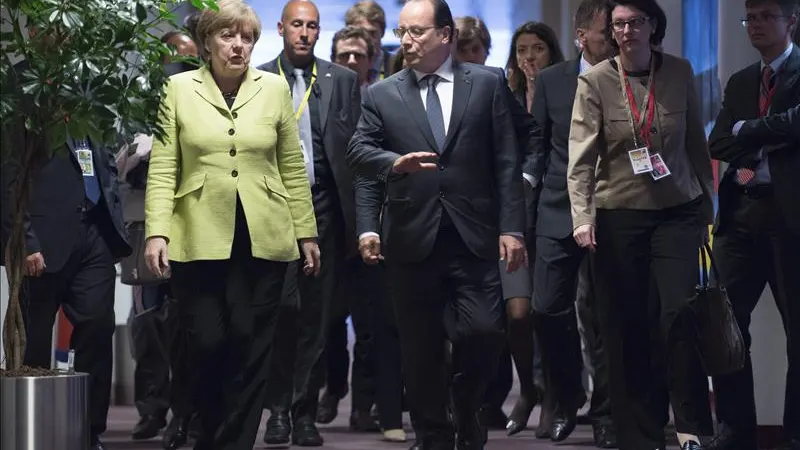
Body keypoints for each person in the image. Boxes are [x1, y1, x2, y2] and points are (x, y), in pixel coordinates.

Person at [346, 0, 527, 448]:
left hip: (475, 234)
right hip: (411, 237)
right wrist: (394, 163)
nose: (406, 40)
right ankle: (433, 434)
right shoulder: (382, 93)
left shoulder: (486, 83)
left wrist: (512, 227)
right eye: (403, 31)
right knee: (420, 348)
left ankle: (466, 397)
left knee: (485, 330)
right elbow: (357, 153)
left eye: (417, 32)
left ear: (445, 35)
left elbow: (506, 160)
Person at [143, 1, 321, 448]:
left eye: (246, 37)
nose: (238, 45)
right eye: (227, 36)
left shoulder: (275, 88)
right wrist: (157, 231)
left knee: (251, 343)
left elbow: (292, 167)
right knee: (205, 342)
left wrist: (306, 231)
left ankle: (232, 442)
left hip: (263, 234)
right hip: (197, 234)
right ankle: (207, 425)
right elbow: (164, 167)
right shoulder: (178, 89)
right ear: (206, 42)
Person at [567, 0, 715, 449]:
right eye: (619, 24)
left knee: (678, 313)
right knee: (628, 324)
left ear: (653, 26)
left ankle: (691, 425)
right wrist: (582, 217)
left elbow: (694, 143)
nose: (627, 31)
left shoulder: (679, 72)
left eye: (636, 22)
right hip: (620, 216)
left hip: (676, 211)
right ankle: (641, 432)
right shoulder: (594, 80)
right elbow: (581, 159)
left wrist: (709, 205)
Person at [1, 52, 132, 450]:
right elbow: (8, 171)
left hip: (92, 231)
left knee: (96, 326)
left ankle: (88, 431)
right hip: (40, 235)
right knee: (36, 340)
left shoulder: (87, 79)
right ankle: (37, 431)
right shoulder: (20, 82)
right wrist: (23, 238)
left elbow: (101, 154)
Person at [257, 0, 363, 445]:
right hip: (272, 208)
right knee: (282, 313)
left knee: (319, 318)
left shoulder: (342, 80)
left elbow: (356, 153)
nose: (304, 32)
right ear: (281, 28)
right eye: (296, 25)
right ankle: (277, 407)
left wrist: (363, 223)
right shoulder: (258, 77)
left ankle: (304, 412)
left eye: (312, 26)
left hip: (326, 209)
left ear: (320, 32)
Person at [707, 1, 799, 449]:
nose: (755, 25)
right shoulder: (743, 80)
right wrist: (768, 136)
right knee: (724, 330)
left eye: (766, 16)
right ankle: (733, 432)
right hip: (741, 216)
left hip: (791, 221)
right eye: (750, 17)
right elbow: (720, 140)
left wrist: (751, 128)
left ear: (791, 21)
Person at [526, 1, 617, 446]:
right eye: (607, 32)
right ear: (582, 36)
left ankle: (605, 413)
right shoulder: (551, 80)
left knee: (605, 319)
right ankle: (566, 396)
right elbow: (537, 147)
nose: (616, 39)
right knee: (546, 309)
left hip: (612, 213)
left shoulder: (626, 74)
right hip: (557, 210)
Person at [505, 21, 565, 113]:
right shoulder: (508, 94)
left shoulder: (566, 91)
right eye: (521, 50)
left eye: (539, 49)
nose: (529, 56)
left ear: (552, 54)